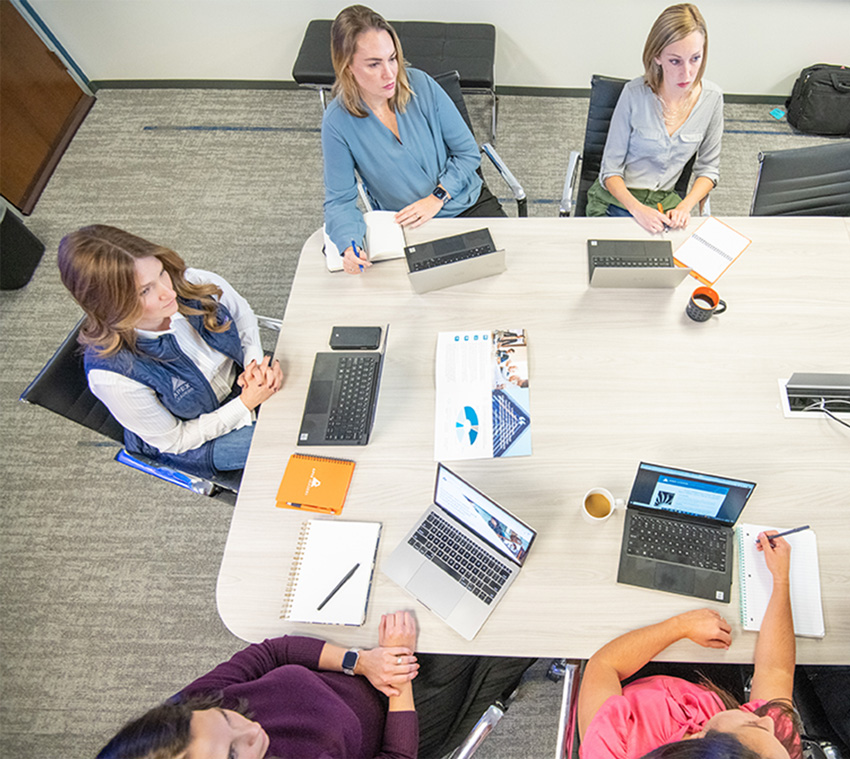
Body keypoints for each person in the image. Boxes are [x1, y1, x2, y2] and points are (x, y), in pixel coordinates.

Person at [95, 611, 535, 759]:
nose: (252, 730)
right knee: (512, 631)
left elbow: (272, 654)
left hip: (362, 664)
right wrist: (397, 678)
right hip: (407, 718)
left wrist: (363, 662)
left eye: (229, 716)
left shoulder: (191, 710)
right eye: (233, 754)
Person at [57, 224, 283, 479]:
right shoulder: (113, 376)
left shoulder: (191, 282)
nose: (169, 292)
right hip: (197, 438)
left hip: (244, 384)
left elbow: (241, 316)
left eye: (161, 273)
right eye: (145, 290)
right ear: (112, 306)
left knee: (324, 394)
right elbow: (176, 440)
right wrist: (245, 404)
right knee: (292, 439)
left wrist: (254, 365)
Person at [577, 530, 801, 759]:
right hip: (701, 686)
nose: (767, 721)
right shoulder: (771, 750)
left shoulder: (609, 747)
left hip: (632, 685)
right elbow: (775, 671)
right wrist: (781, 579)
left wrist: (680, 626)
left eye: (754, 725)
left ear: (698, 739)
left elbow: (604, 665)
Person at [322, 4, 505, 275]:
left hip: (466, 203)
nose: (389, 73)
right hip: (409, 225)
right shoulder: (337, 122)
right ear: (347, 66)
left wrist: (437, 198)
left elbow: (467, 153)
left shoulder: (421, 84)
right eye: (374, 64)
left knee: (504, 279)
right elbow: (339, 200)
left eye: (392, 58)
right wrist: (349, 245)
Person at [587, 4, 723, 233]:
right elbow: (609, 172)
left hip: (667, 205)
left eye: (695, 58)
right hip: (618, 201)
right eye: (675, 61)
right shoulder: (633, 94)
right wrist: (638, 210)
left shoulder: (713, 99)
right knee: (616, 262)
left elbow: (709, 169)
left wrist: (685, 206)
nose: (688, 73)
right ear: (657, 56)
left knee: (676, 264)